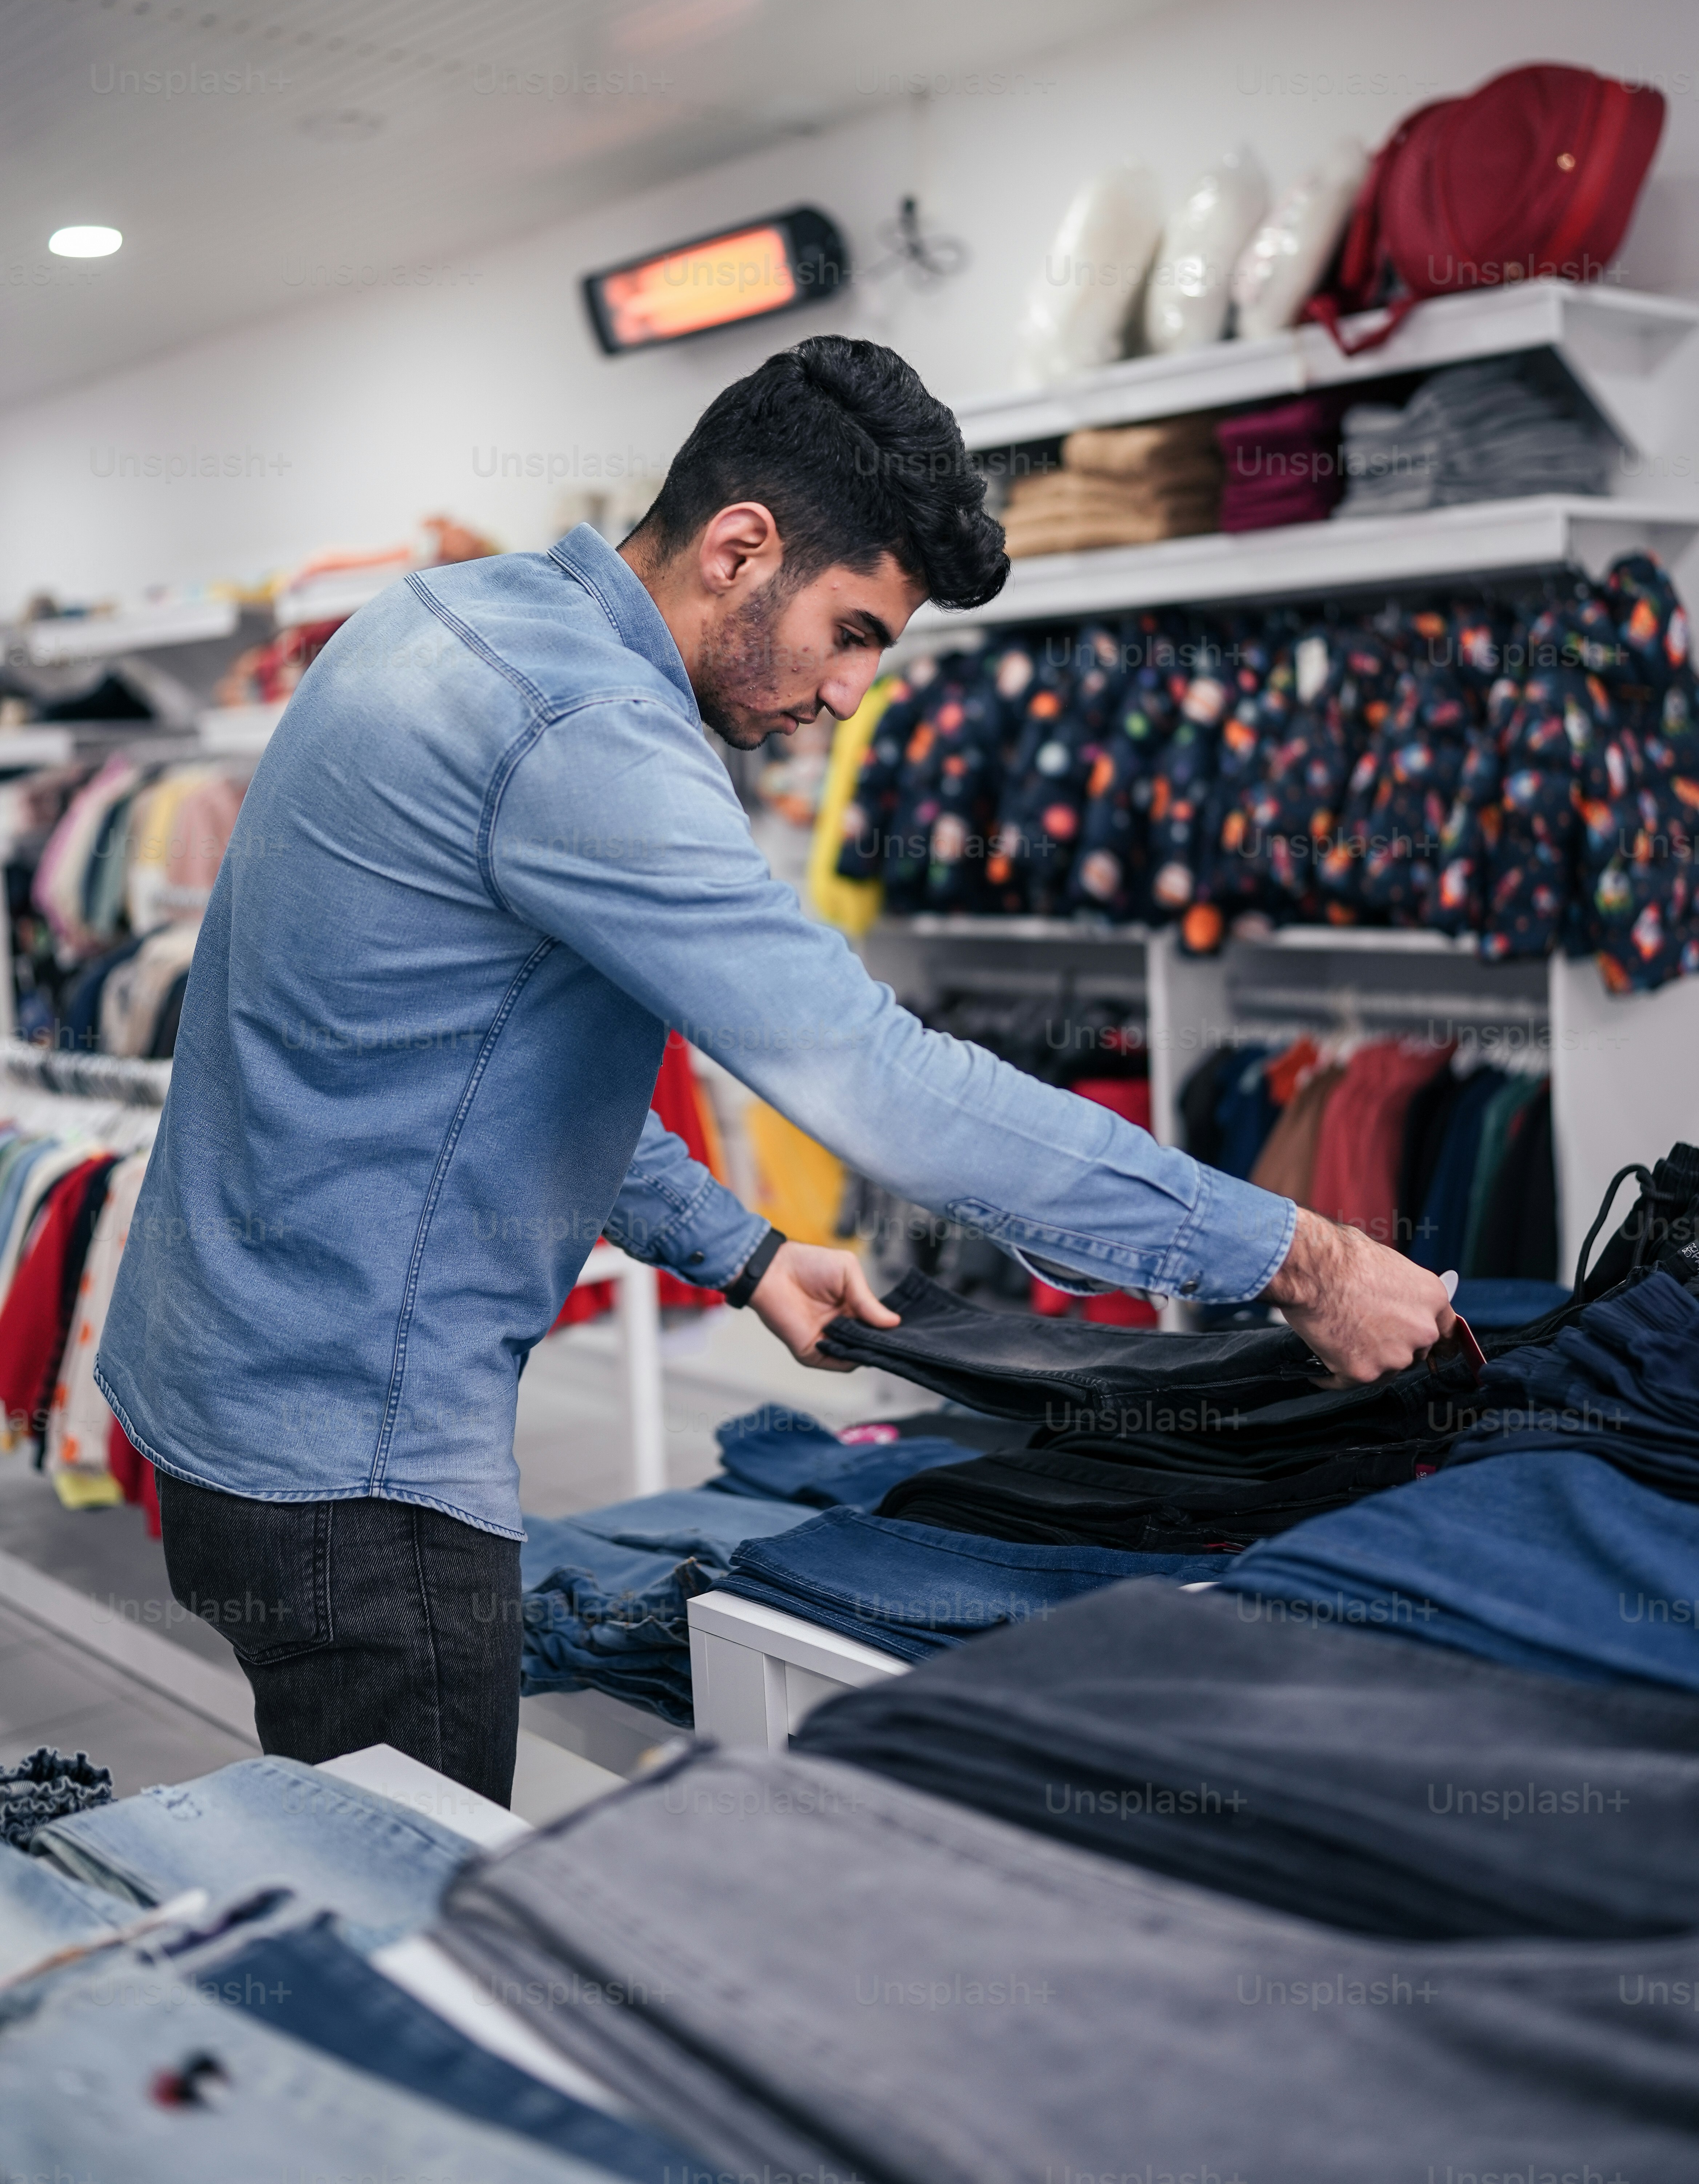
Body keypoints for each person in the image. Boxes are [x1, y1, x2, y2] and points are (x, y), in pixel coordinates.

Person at [98, 336, 1457, 1802]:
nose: (855, 695)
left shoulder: (443, 617)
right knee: (406, 1902)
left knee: (340, 1841)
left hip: (222, 1393)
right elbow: (883, 1087)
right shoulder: (592, 737)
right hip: (354, 1475)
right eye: (855, 630)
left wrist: (741, 1252)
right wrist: (1302, 1257)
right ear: (742, 547)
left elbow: (464, 1045)